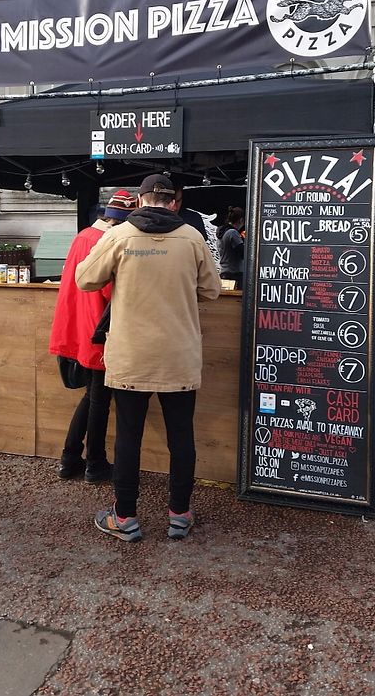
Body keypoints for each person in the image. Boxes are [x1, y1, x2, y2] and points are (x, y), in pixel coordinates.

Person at [76, 173, 220, 542]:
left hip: (132, 355)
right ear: (174, 202)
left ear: (140, 201)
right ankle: (179, 514)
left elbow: (84, 279)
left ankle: (125, 517)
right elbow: (212, 290)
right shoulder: (192, 237)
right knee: (181, 436)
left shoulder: (119, 235)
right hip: (178, 354)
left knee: (128, 436)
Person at [49, 189, 137, 483]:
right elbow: (112, 292)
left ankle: (70, 458)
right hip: (99, 327)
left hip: (78, 324)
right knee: (99, 399)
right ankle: (94, 463)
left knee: (93, 397)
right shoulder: (110, 241)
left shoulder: (83, 235)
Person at [216, 206, 245, 289]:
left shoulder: (221, 233)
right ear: (241, 220)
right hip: (235, 274)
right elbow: (242, 252)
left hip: (224, 272)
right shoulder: (233, 233)